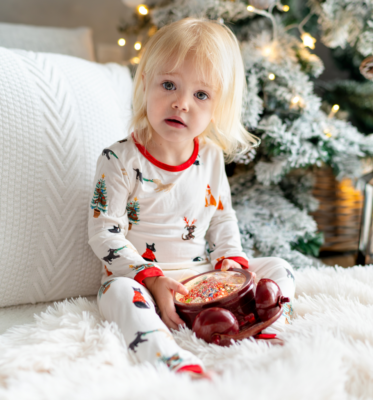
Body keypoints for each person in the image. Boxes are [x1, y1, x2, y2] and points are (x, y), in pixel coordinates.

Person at [88, 17, 295, 380]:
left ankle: (265, 325)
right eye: (169, 85)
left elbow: (221, 217)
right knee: (118, 294)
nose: (181, 103)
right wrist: (150, 278)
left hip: (204, 280)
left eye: (201, 94)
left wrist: (230, 260)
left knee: (279, 267)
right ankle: (172, 360)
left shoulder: (210, 156)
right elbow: (104, 233)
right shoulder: (118, 160)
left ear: (219, 106)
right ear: (144, 84)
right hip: (145, 285)